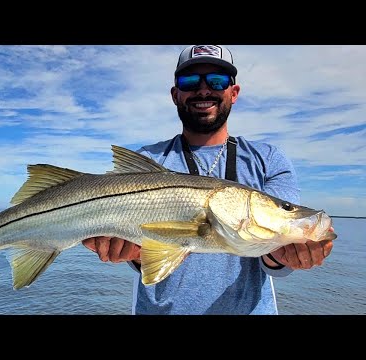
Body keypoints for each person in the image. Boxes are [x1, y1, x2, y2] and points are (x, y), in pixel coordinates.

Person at [82, 45, 334, 315]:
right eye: (190, 81)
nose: (203, 90)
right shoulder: (149, 160)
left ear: (233, 92)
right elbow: (144, 257)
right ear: (175, 94)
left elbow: (272, 255)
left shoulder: (269, 159)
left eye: (217, 81)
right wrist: (131, 254)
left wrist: (284, 255)